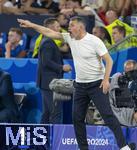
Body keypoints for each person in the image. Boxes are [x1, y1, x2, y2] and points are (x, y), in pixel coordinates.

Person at [18, 16, 136, 150]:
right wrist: (31, 24)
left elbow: (109, 61)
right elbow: (50, 32)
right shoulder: (70, 38)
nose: (69, 28)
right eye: (69, 25)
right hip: (80, 86)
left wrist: (105, 80)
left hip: (96, 84)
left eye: (72, 25)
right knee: (77, 119)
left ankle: (124, 147)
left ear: (81, 27)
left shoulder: (94, 41)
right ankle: (83, 148)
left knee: (108, 116)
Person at [35, 18, 72, 124]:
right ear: (49, 28)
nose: (59, 29)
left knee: (47, 113)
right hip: (50, 83)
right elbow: (46, 62)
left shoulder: (46, 40)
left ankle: (41, 139)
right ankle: (56, 139)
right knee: (56, 112)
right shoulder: (48, 42)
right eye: (57, 27)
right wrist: (62, 67)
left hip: (47, 82)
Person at [109, 60, 137, 126]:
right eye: (126, 71)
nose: (128, 74)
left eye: (131, 71)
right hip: (122, 112)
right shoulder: (118, 78)